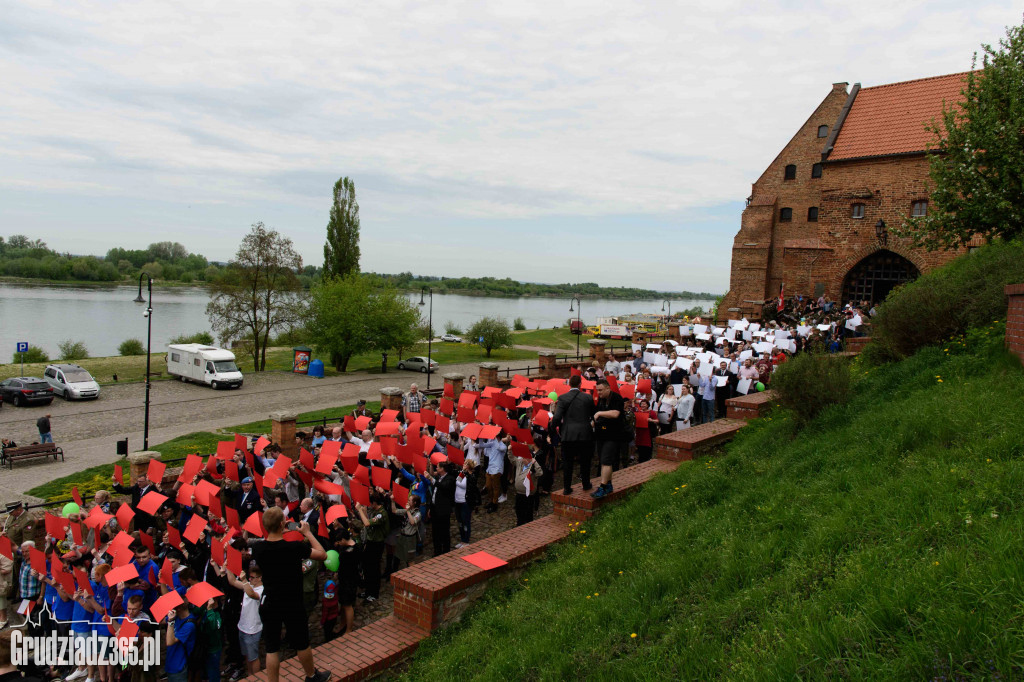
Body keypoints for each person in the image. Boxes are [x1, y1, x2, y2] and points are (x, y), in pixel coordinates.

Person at [251, 507, 331, 682]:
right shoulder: (295, 547)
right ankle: (311, 675)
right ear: (282, 524)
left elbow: (270, 542)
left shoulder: (258, 549)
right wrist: (308, 533)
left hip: (270, 600)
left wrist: (279, 529)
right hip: (292, 600)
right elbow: (322, 555)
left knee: (272, 648)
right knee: (301, 642)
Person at [550, 375, 596, 494]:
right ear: (580, 384)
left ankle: (566, 487)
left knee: (568, 462)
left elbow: (557, 418)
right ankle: (586, 483)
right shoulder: (587, 397)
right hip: (585, 433)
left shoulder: (563, 398)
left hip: (568, 434)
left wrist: (552, 430)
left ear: (569, 384)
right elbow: (593, 414)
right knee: (585, 460)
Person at [222, 566, 263, 678]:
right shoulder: (249, 585)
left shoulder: (261, 590)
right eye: (249, 577)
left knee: (253, 657)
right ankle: (250, 675)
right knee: (247, 655)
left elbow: (252, 594)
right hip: (243, 627)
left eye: (252, 577)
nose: (250, 579)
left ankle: (256, 677)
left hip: (253, 629)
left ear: (260, 578)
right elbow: (233, 581)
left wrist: (244, 580)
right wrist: (229, 567)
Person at [591, 379, 625, 499]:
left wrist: (600, 413)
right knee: (603, 461)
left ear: (607, 388)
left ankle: (603, 487)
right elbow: (595, 416)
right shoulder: (601, 400)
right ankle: (609, 484)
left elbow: (616, 413)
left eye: (600, 390)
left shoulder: (616, 398)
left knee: (606, 461)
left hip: (612, 435)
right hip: (601, 435)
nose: (598, 392)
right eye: (597, 390)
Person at [355, 493, 388, 603]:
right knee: (367, 567)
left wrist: (359, 510)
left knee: (374, 568)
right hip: (370, 541)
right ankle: (368, 590)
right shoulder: (375, 511)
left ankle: (374, 593)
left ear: (374, 503)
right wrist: (363, 512)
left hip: (377, 543)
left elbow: (367, 523)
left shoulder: (381, 514)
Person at [507, 447, 543, 526]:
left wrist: (535, 463)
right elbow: (512, 458)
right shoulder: (520, 463)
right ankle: (519, 526)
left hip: (529, 495)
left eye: (524, 457)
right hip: (519, 494)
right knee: (519, 512)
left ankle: (527, 528)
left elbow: (540, 473)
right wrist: (510, 450)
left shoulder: (533, 465)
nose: (522, 458)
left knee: (528, 514)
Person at [429, 462, 457, 556]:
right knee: (435, 531)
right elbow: (434, 492)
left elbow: (443, 487)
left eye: (437, 467)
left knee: (444, 531)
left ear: (442, 469)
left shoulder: (450, 479)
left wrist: (431, 479)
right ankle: (437, 550)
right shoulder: (438, 478)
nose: (436, 468)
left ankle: (445, 550)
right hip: (434, 508)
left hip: (443, 510)